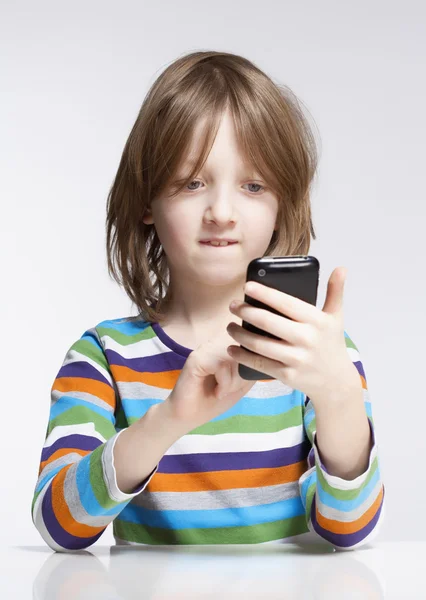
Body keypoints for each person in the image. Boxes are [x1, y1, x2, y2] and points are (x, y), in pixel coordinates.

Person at [31, 50, 385, 553]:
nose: (221, 212)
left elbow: (349, 529)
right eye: (192, 182)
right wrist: (169, 419)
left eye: (253, 185)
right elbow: (57, 526)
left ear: (283, 204)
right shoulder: (103, 356)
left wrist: (342, 398)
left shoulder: (315, 355)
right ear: (147, 200)